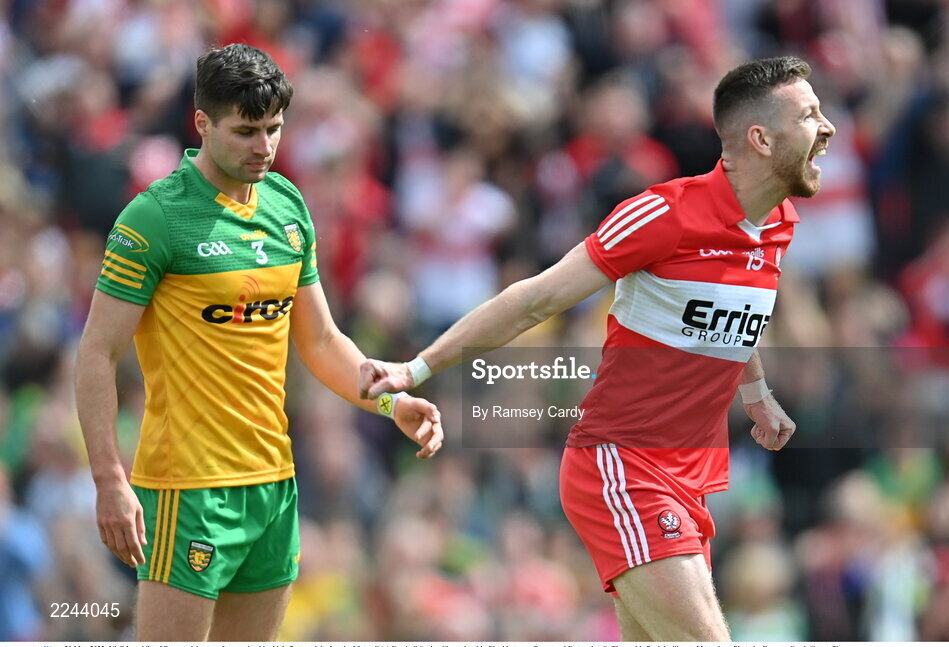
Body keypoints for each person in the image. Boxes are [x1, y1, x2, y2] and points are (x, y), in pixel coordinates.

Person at [361, 56, 835, 641]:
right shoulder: (666, 213)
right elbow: (533, 300)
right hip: (623, 464)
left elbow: (734, 312)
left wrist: (756, 393)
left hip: (692, 477)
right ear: (761, 139)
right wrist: (419, 366)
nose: (829, 127)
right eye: (811, 115)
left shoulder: (778, 223)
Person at [74, 43, 443, 641]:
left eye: (273, 129)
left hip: (273, 484)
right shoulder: (155, 219)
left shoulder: (287, 205)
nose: (264, 147)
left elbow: (322, 340)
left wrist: (389, 401)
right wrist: (109, 480)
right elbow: (96, 353)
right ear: (202, 123)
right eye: (246, 131)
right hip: (186, 490)